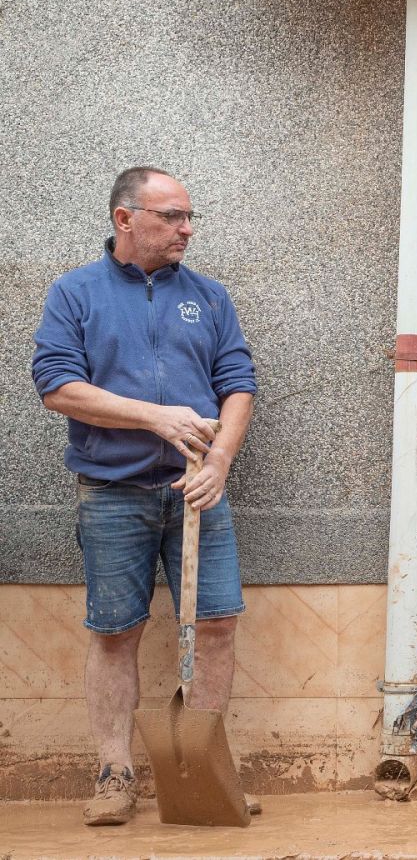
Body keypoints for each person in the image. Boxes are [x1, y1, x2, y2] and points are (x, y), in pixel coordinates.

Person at [31, 167, 259, 826]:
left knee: (216, 626)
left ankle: (203, 770)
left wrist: (218, 462)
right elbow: (57, 386)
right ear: (124, 219)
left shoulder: (209, 299)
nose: (187, 229)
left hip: (197, 492)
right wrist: (154, 417)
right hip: (112, 493)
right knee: (114, 635)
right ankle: (114, 772)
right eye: (171, 216)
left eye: (190, 217)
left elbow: (238, 384)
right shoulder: (75, 294)